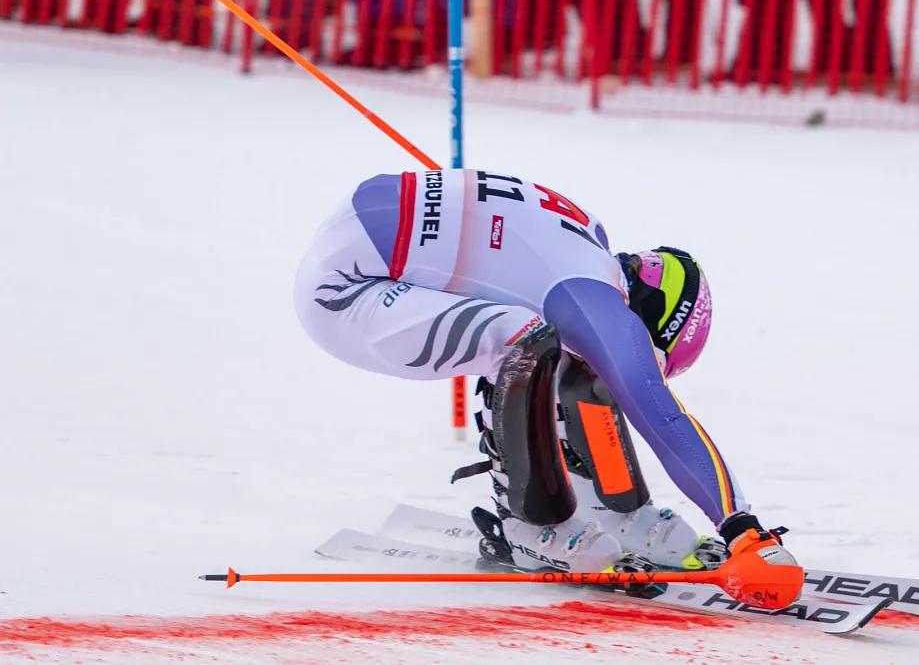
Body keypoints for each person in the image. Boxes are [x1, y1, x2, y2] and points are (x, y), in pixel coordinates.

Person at [294, 168, 802, 607]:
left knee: (558, 339)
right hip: (344, 294)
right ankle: (533, 526)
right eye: (651, 354)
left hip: (358, 230)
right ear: (651, 321)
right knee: (530, 338)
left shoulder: (590, 236)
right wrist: (744, 530)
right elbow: (659, 411)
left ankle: (616, 507)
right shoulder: (597, 300)